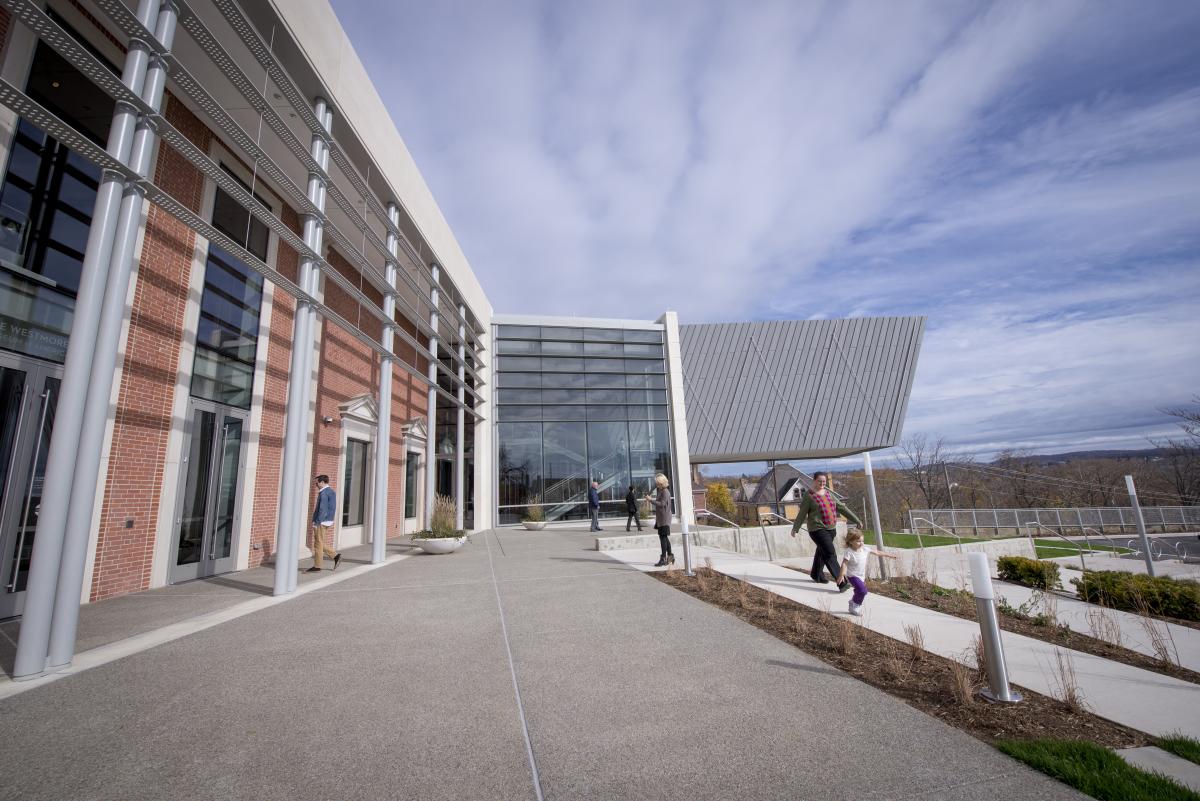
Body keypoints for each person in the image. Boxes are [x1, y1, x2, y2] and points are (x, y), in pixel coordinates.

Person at [789, 471, 862, 590]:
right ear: (814, 481)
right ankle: (842, 582)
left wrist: (856, 520)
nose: (822, 483)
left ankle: (816, 574)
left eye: (824, 481)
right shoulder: (809, 495)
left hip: (831, 529)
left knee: (822, 551)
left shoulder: (829, 494)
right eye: (819, 481)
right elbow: (802, 513)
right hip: (817, 529)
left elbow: (841, 508)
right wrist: (795, 528)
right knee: (829, 552)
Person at [835, 529, 897, 615]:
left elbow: (877, 552)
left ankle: (852, 601)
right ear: (851, 542)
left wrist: (889, 555)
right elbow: (844, 564)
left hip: (861, 576)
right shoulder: (849, 552)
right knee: (863, 591)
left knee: (859, 590)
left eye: (862, 541)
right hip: (852, 575)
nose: (861, 543)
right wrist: (841, 575)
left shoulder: (864, 549)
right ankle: (855, 606)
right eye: (858, 541)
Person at [307, 474, 341, 573]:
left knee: (318, 543)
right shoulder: (331, 491)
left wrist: (317, 522)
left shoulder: (323, 493)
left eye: (317, 483)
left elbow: (322, 509)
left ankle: (317, 566)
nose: (316, 485)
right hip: (327, 520)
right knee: (320, 542)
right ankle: (335, 556)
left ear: (322, 482)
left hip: (321, 521)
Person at [647, 473, 674, 567]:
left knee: (663, 538)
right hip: (661, 517)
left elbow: (662, 504)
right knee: (664, 537)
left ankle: (663, 559)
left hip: (664, 518)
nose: (656, 484)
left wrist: (651, 500)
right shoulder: (661, 491)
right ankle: (670, 557)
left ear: (661, 482)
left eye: (657, 482)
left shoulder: (665, 491)